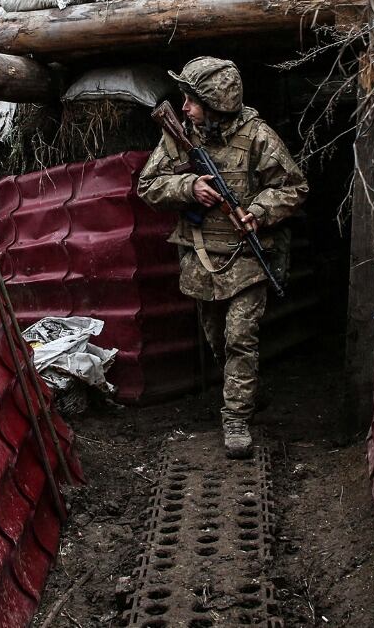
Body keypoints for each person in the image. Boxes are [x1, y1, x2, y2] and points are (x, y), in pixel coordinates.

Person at [137, 57, 308, 459]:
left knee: (240, 339)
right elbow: (148, 185)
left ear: (217, 104)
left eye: (192, 101)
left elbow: (293, 186)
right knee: (218, 339)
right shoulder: (179, 137)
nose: (184, 108)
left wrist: (259, 211)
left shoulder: (257, 136)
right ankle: (245, 392)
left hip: (248, 257)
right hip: (202, 258)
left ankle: (236, 420)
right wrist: (188, 186)